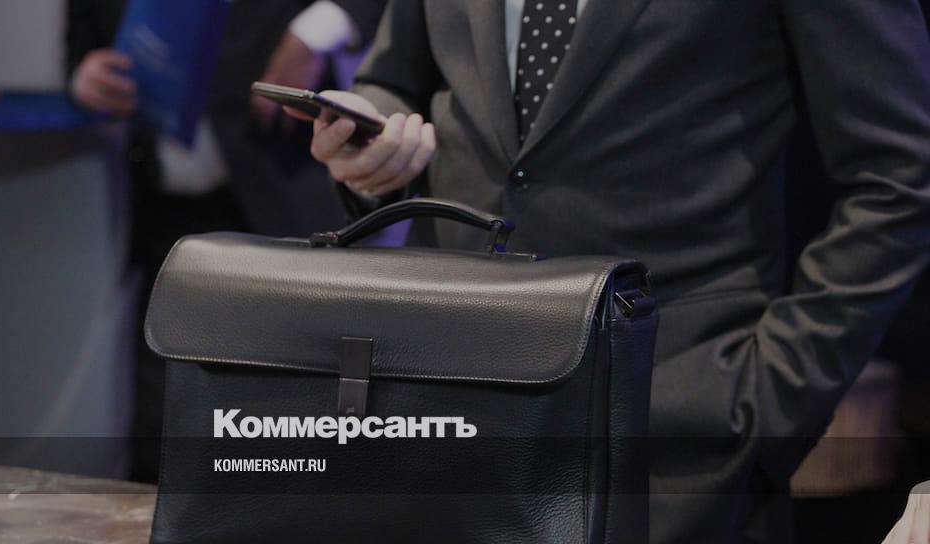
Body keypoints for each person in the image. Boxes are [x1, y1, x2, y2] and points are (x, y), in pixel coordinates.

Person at [294, 1, 930, 542]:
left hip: (672, 435)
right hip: (446, 418)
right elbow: (398, 79)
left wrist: (772, 397)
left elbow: (900, 179)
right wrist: (368, 139)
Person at [65, 0, 387, 481]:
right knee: (163, 419)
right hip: (163, 209)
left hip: (278, 192)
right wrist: (85, 78)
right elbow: (83, 47)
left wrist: (313, 31)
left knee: (293, 417)